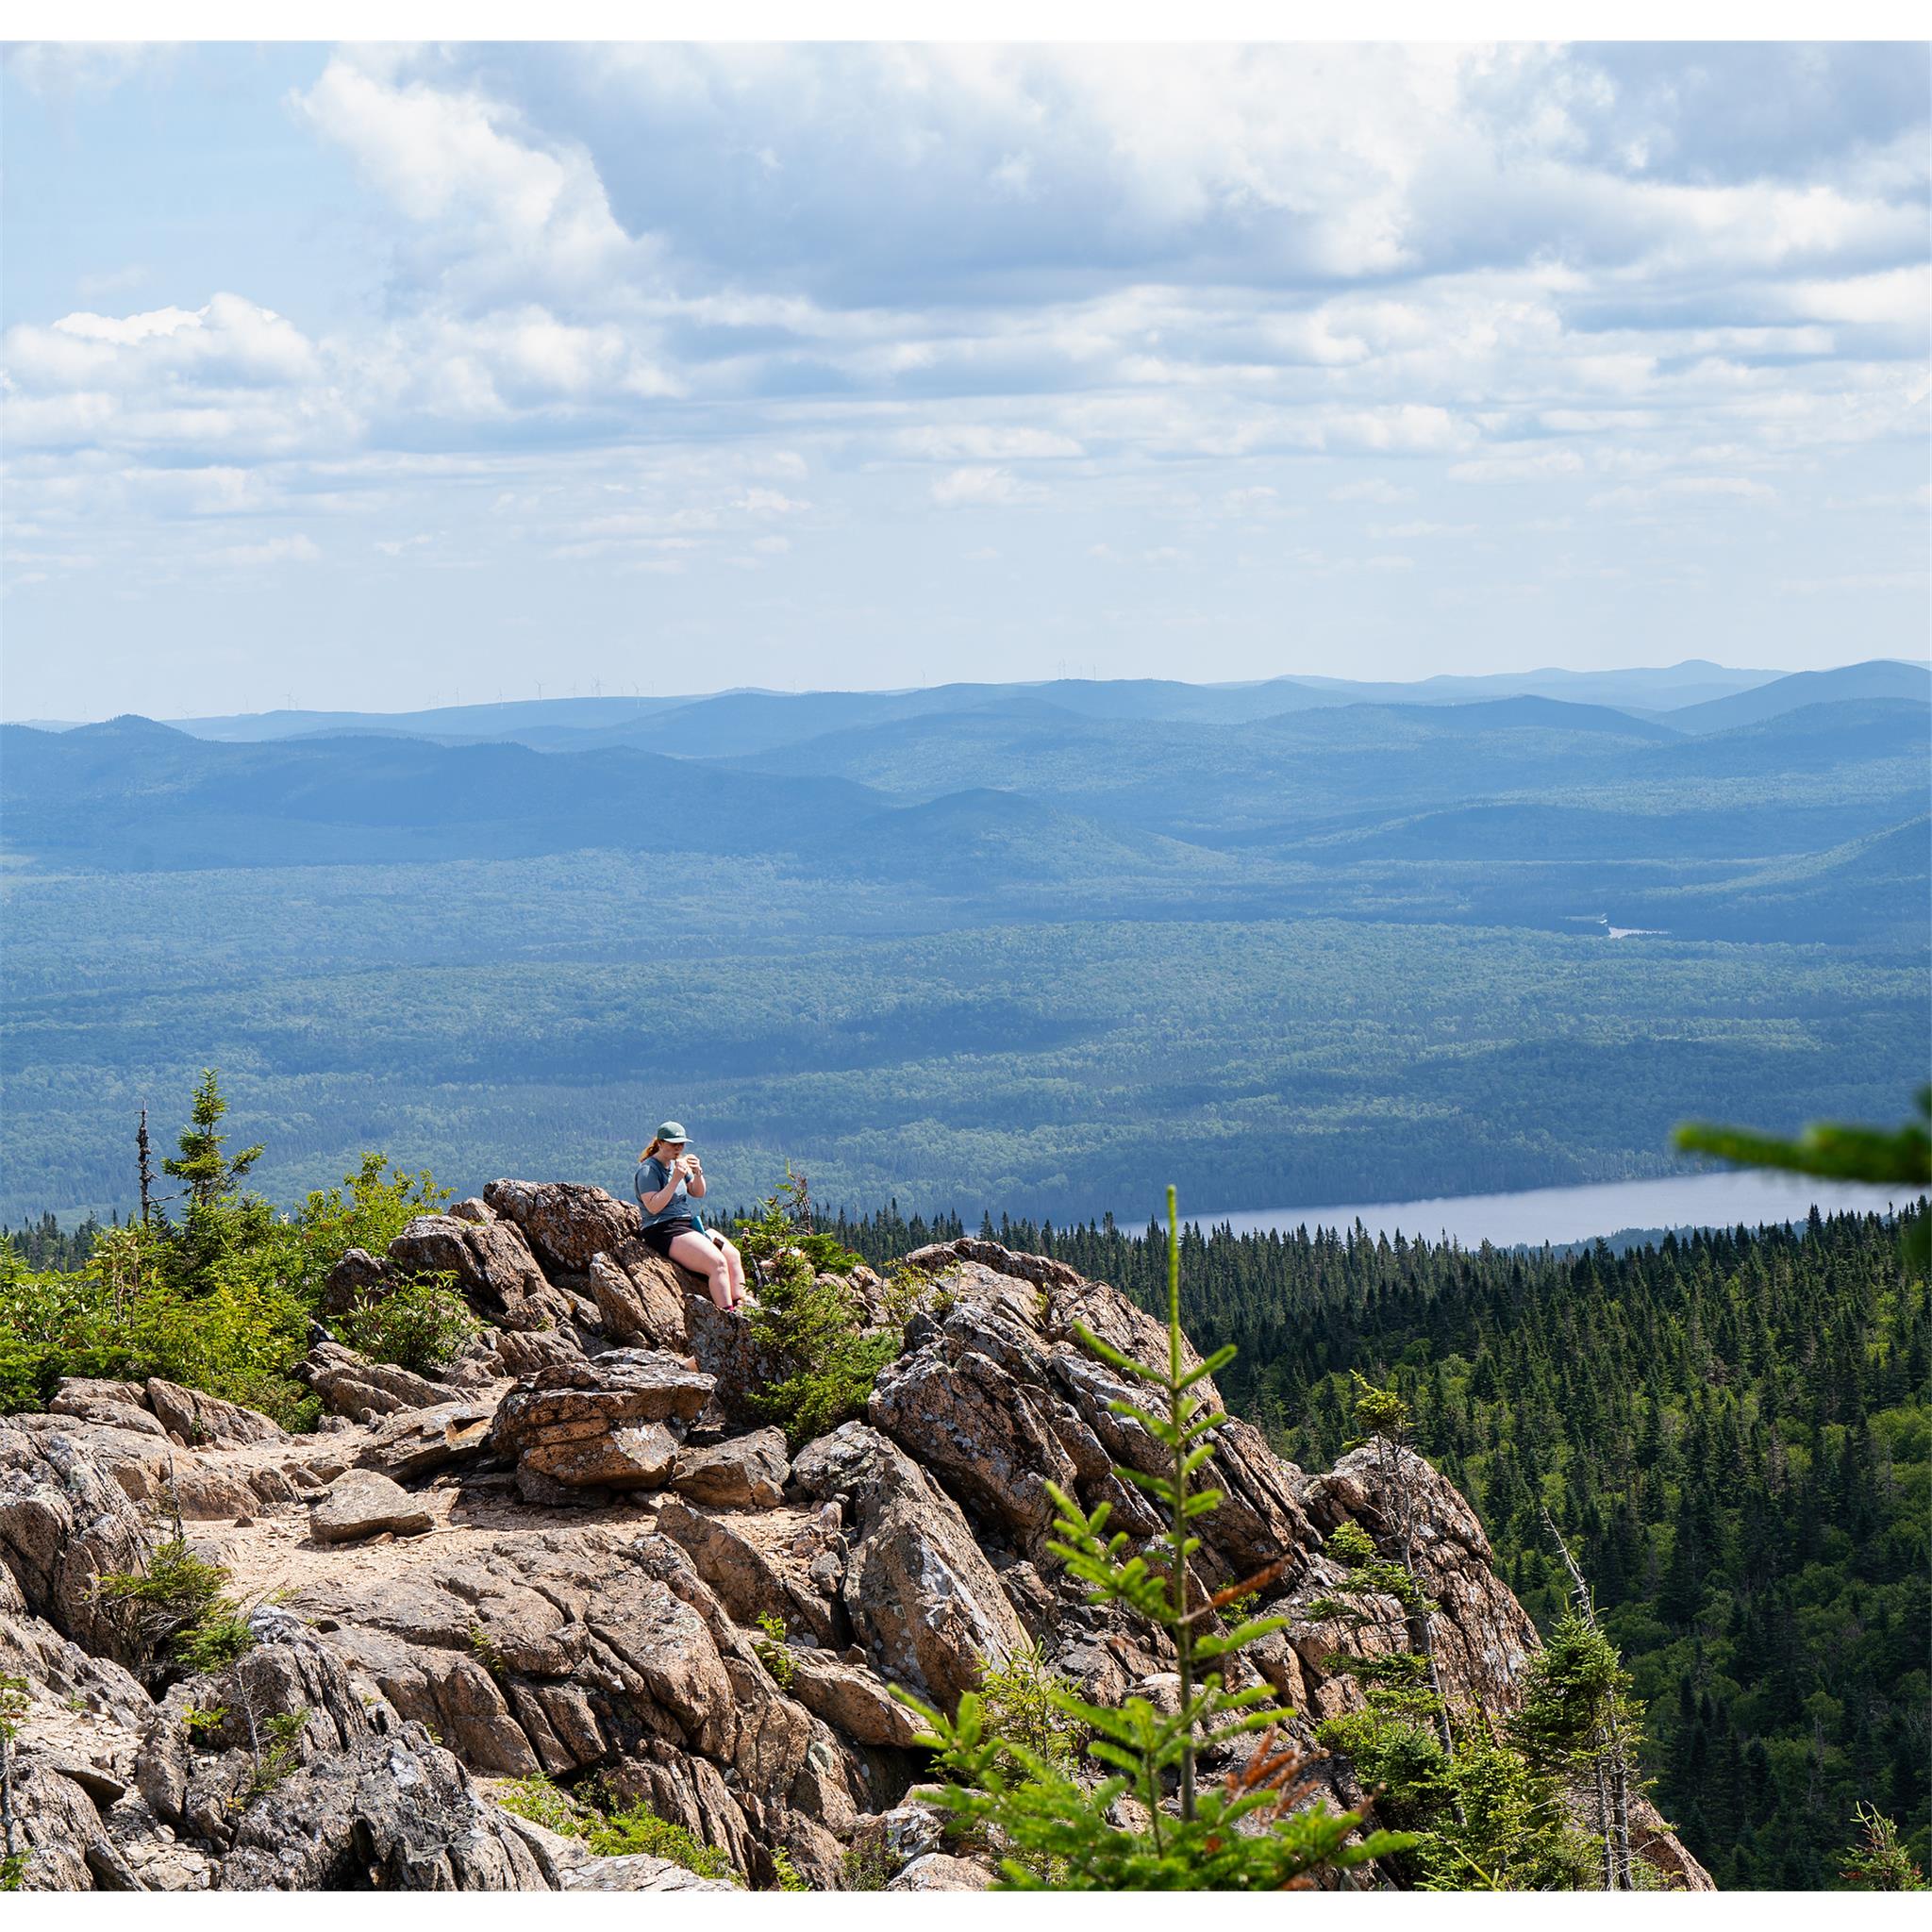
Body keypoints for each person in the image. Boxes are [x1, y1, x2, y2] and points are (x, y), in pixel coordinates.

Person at [633, 1121, 752, 1312]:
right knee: (717, 1263)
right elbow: (653, 1206)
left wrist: (697, 1173)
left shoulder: (677, 1165)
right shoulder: (648, 1170)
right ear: (661, 1143)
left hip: (686, 1224)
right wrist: (674, 1180)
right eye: (673, 1144)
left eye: (681, 1144)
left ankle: (741, 1303)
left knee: (732, 1255)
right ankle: (728, 1313)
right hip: (662, 1229)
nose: (678, 1148)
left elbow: (697, 1192)